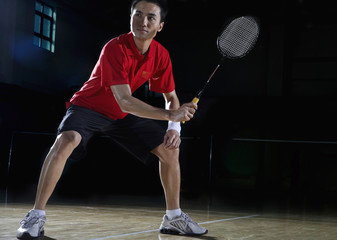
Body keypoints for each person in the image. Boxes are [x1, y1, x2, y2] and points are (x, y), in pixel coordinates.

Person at [16, 0, 208, 238]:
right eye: (138, 15)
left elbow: (171, 97)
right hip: (89, 106)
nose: (143, 22)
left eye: (151, 17)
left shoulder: (161, 55)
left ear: (160, 26)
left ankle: (174, 218)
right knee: (67, 139)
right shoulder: (115, 47)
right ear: (130, 17)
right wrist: (170, 115)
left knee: (170, 150)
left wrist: (174, 128)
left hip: (120, 115)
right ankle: (36, 216)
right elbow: (125, 99)